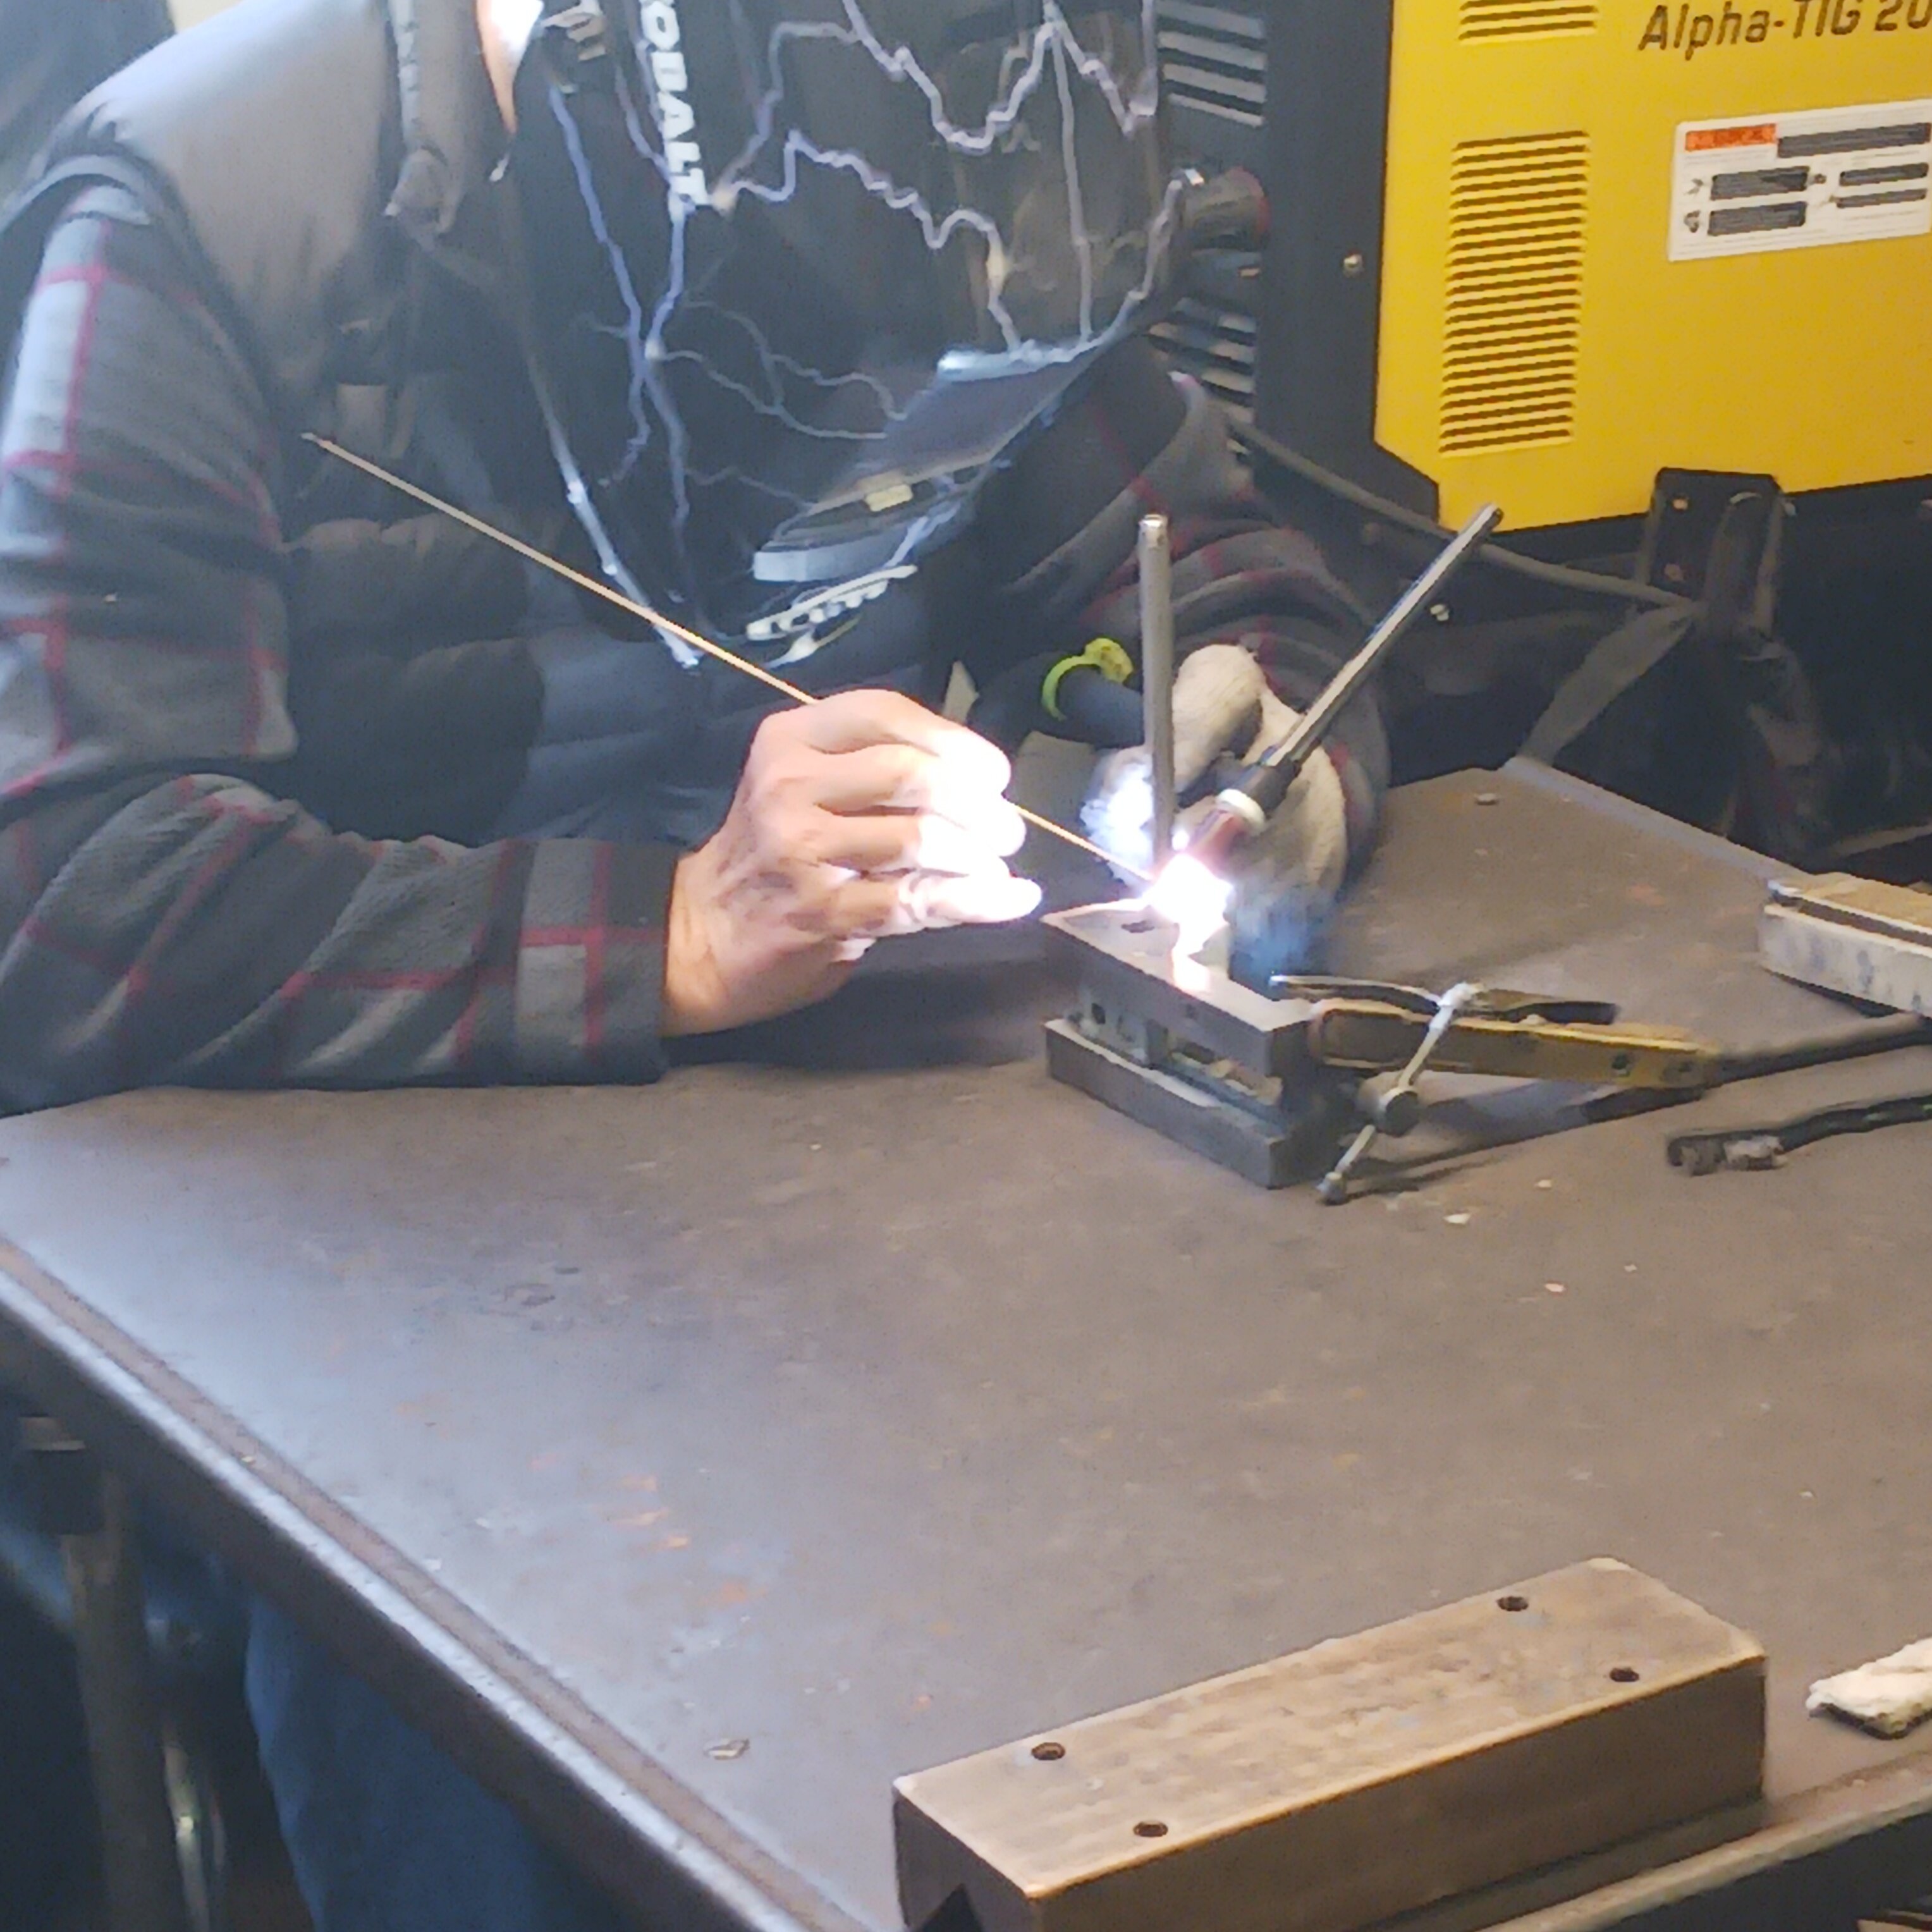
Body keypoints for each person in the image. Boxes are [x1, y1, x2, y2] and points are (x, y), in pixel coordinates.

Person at [0, 1, 1390, 1925]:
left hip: (810, 1195)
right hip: (367, 1259)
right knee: (541, 1750)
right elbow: (75, 895)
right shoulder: (206, 222)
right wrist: (665, 930)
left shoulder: (941, 174)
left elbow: (1204, 565)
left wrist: (1263, 732)